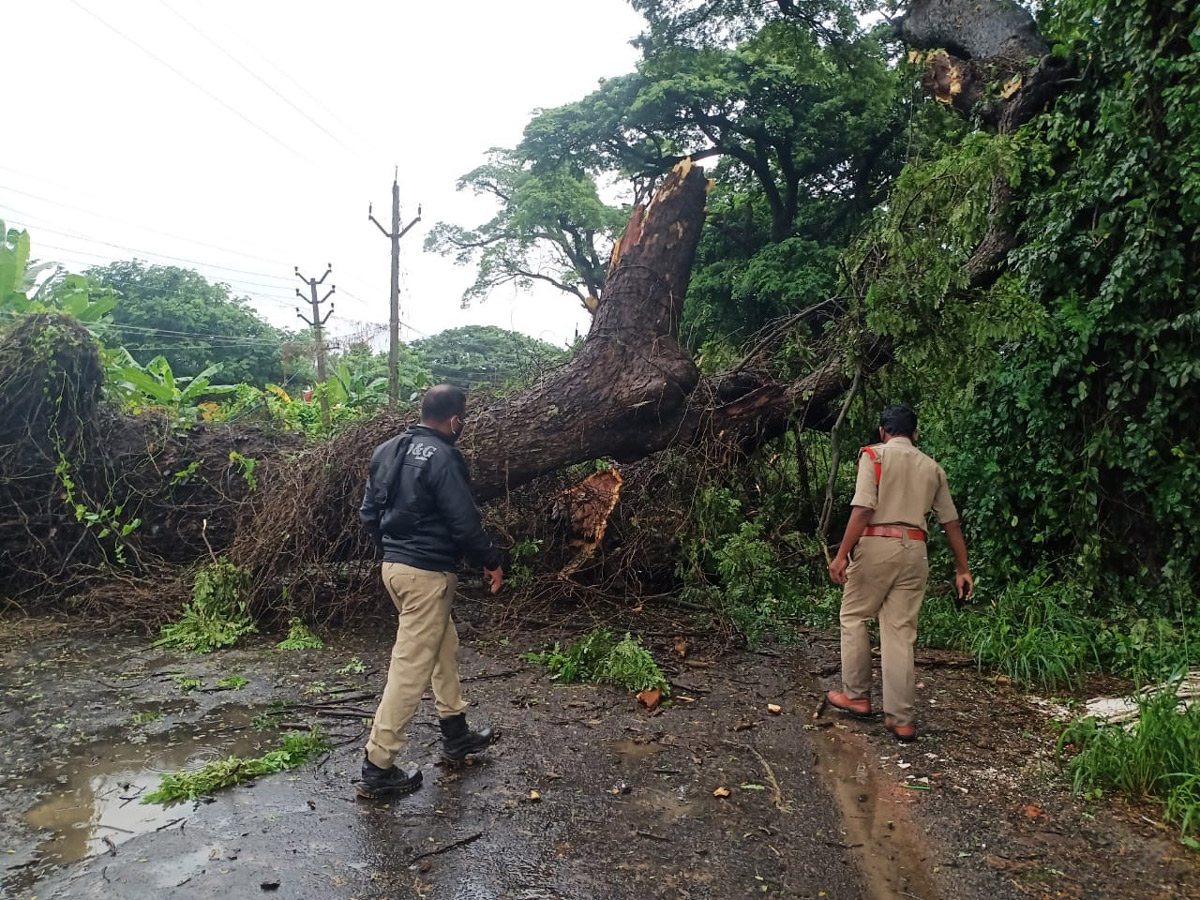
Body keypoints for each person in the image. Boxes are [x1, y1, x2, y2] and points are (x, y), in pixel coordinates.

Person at [357, 384, 505, 799]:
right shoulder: (443, 455)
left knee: (443, 645)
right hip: (426, 574)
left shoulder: (386, 449)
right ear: (455, 420)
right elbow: (463, 521)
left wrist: (396, 550)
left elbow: (369, 513)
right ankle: (378, 765)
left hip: (396, 568)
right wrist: (491, 560)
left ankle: (455, 732)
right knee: (410, 669)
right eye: (464, 420)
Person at [825, 404, 973, 743]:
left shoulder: (873, 457)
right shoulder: (932, 468)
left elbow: (863, 508)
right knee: (900, 633)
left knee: (854, 616)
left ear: (882, 431)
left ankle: (857, 696)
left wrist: (841, 555)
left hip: (878, 544)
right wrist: (962, 568)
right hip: (916, 551)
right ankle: (901, 719)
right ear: (915, 434)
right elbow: (950, 522)